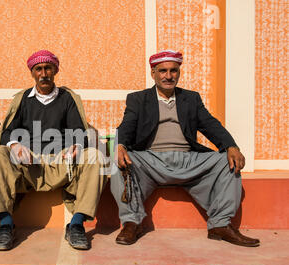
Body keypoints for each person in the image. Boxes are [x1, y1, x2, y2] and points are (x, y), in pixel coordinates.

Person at [111, 50, 260, 247]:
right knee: (117, 163)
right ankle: (132, 222)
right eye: (162, 71)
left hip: (188, 159)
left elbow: (210, 124)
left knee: (227, 161)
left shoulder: (190, 98)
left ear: (179, 72)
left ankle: (220, 225)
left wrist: (231, 146)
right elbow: (127, 125)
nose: (168, 75)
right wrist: (120, 145)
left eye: (174, 70)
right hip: (151, 160)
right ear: (153, 73)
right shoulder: (138, 99)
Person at [0, 50, 107, 251]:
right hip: (29, 164)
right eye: (38, 69)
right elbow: (6, 134)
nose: (44, 73)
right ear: (32, 73)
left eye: (48, 68)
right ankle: (5, 225)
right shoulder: (23, 99)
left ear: (55, 71)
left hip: (61, 162)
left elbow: (80, 132)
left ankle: (76, 224)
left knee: (95, 156)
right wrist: (16, 146)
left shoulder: (67, 98)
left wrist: (76, 145)